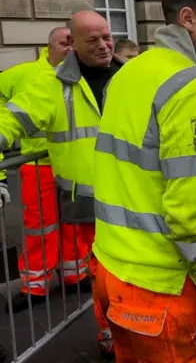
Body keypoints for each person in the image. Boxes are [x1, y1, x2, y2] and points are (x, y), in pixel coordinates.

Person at [92, 0, 196, 362]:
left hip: (111, 268)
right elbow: (188, 210)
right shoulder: (192, 86)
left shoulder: (128, 73)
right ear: (188, 18)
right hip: (162, 286)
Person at [0, 11, 123, 358]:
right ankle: (109, 335)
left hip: (133, 197)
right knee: (102, 278)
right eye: (93, 40)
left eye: (107, 37)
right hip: (87, 201)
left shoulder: (129, 75)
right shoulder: (51, 85)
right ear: (73, 44)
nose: (103, 46)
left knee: (128, 275)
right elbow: (14, 116)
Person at [0, 26, 85, 312]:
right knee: (40, 226)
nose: (70, 49)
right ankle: (35, 285)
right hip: (37, 165)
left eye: (74, 43)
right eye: (64, 43)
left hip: (72, 162)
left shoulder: (81, 75)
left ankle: (75, 275)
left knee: (75, 222)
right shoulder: (24, 74)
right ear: (48, 47)